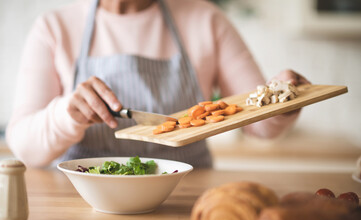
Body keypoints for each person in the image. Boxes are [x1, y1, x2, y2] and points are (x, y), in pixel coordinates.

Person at [6, 0, 310, 168]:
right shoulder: (54, 28)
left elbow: (260, 124)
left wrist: (283, 99)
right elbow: (24, 147)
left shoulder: (207, 19)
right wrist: (65, 115)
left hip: (187, 199)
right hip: (81, 203)